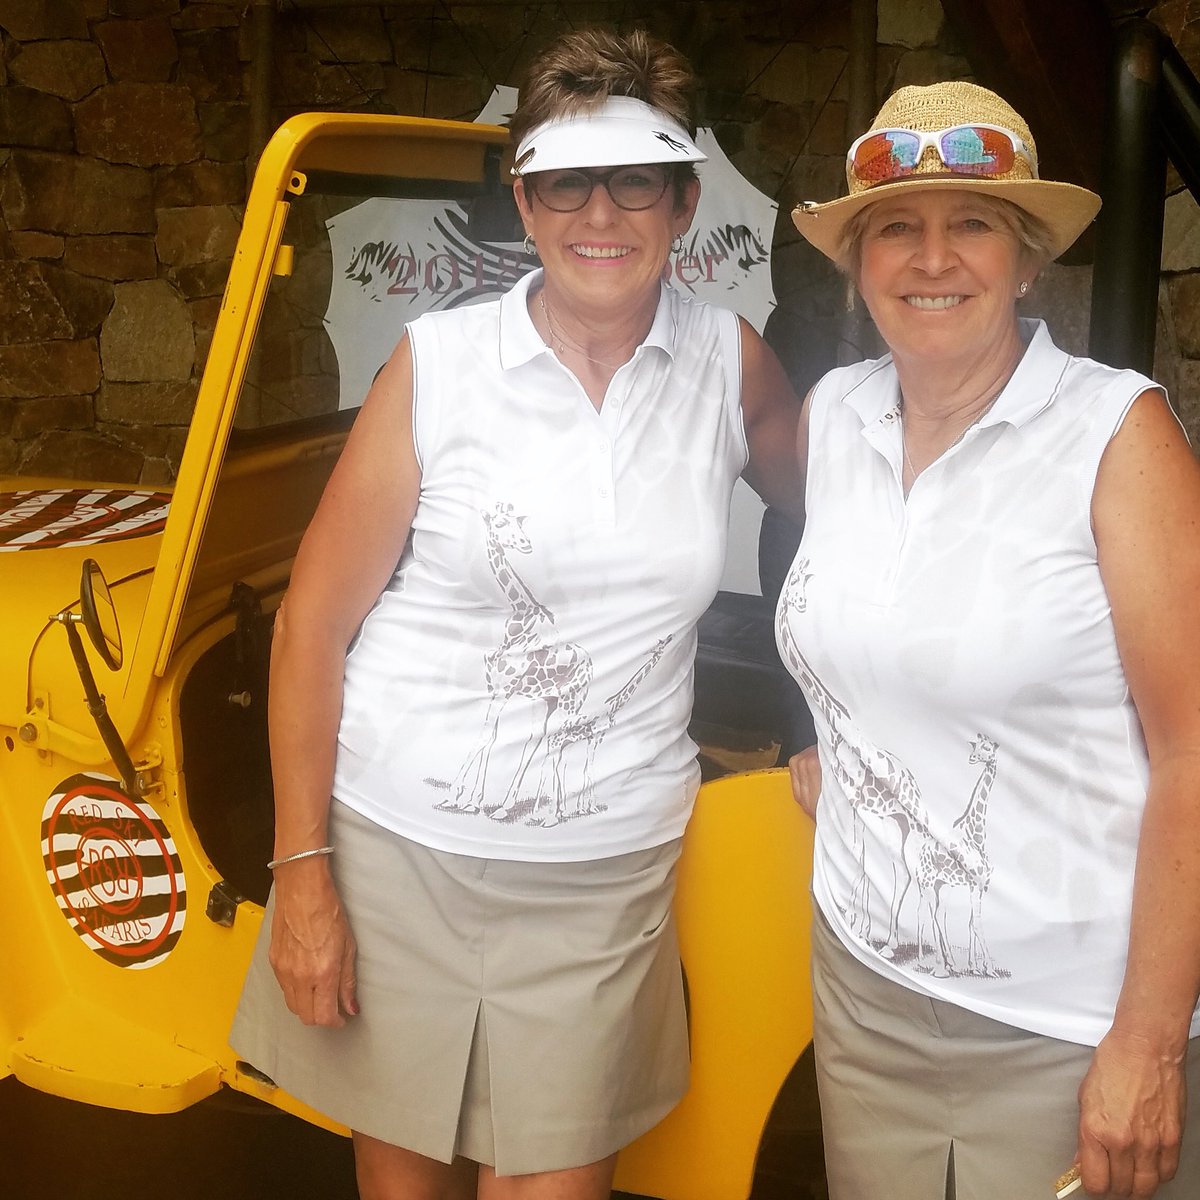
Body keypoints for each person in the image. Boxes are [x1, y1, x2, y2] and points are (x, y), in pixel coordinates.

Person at [230, 27, 803, 1200]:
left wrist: (811, 714)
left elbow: (834, 527)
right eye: (564, 181)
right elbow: (312, 628)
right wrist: (303, 878)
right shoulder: (439, 365)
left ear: (683, 199)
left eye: (635, 178)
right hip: (397, 850)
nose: (602, 211)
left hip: (601, 875)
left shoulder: (730, 366)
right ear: (526, 204)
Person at [782, 80, 1200, 1199]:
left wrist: (1148, 1045)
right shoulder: (835, 417)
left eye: (971, 222)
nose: (932, 259)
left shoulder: (1118, 437)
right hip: (865, 995)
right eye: (895, 229)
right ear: (858, 262)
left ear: (1025, 258)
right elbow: (863, 625)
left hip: (1067, 1023)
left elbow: (1195, 750)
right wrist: (849, 734)